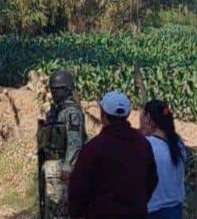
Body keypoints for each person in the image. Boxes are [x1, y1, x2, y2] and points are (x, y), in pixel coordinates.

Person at [68, 91, 157, 219]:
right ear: (127, 114)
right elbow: (152, 180)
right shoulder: (143, 144)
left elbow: (78, 189)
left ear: (102, 114)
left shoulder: (93, 148)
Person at [37, 70, 88, 219]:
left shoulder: (71, 113)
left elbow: (75, 142)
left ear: (66, 90)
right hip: (50, 165)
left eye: (56, 89)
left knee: (60, 210)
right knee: (49, 209)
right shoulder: (54, 111)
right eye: (52, 89)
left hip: (61, 167)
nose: (53, 93)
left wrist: (68, 167)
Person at [140, 100, 186, 219]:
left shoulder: (147, 145)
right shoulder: (178, 144)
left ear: (148, 118)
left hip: (154, 210)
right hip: (176, 209)